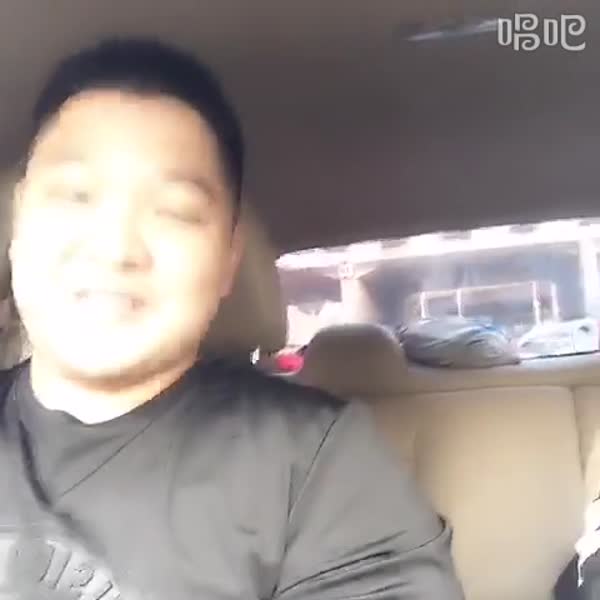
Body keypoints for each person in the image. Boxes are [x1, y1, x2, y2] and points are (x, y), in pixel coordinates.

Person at [0, 38, 464, 599]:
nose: (115, 248)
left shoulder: (315, 465)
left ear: (228, 261)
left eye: (174, 212)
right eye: (75, 196)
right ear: (18, 223)